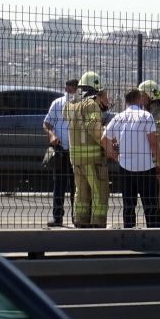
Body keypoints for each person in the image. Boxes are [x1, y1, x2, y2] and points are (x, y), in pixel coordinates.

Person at [102, 89, 160, 228]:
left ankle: (129, 234)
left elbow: (103, 140)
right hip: (145, 166)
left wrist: (115, 154)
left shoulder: (118, 118)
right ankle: (155, 237)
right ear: (140, 99)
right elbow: (153, 143)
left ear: (126, 101)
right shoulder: (146, 116)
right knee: (151, 205)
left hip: (125, 166)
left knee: (128, 205)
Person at [62, 71, 111, 228]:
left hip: (75, 158)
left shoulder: (71, 105)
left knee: (81, 192)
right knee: (99, 192)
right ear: (96, 89)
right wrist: (110, 148)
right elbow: (94, 129)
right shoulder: (91, 105)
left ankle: (81, 221)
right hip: (92, 159)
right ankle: (97, 224)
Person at [43, 79, 79, 227]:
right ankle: (57, 217)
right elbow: (46, 123)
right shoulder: (57, 104)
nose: (72, 91)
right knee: (59, 185)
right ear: (66, 88)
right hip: (61, 150)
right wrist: (51, 135)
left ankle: (77, 218)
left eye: (75, 89)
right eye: (70, 88)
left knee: (77, 187)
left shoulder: (80, 105)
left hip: (76, 151)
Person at [138, 80, 160, 227]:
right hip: (152, 161)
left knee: (156, 196)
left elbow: (158, 142)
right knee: (156, 196)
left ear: (149, 96)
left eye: (142, 95)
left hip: (155, 162)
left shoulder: (157, 115)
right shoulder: (154, 112)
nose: (140, 98)